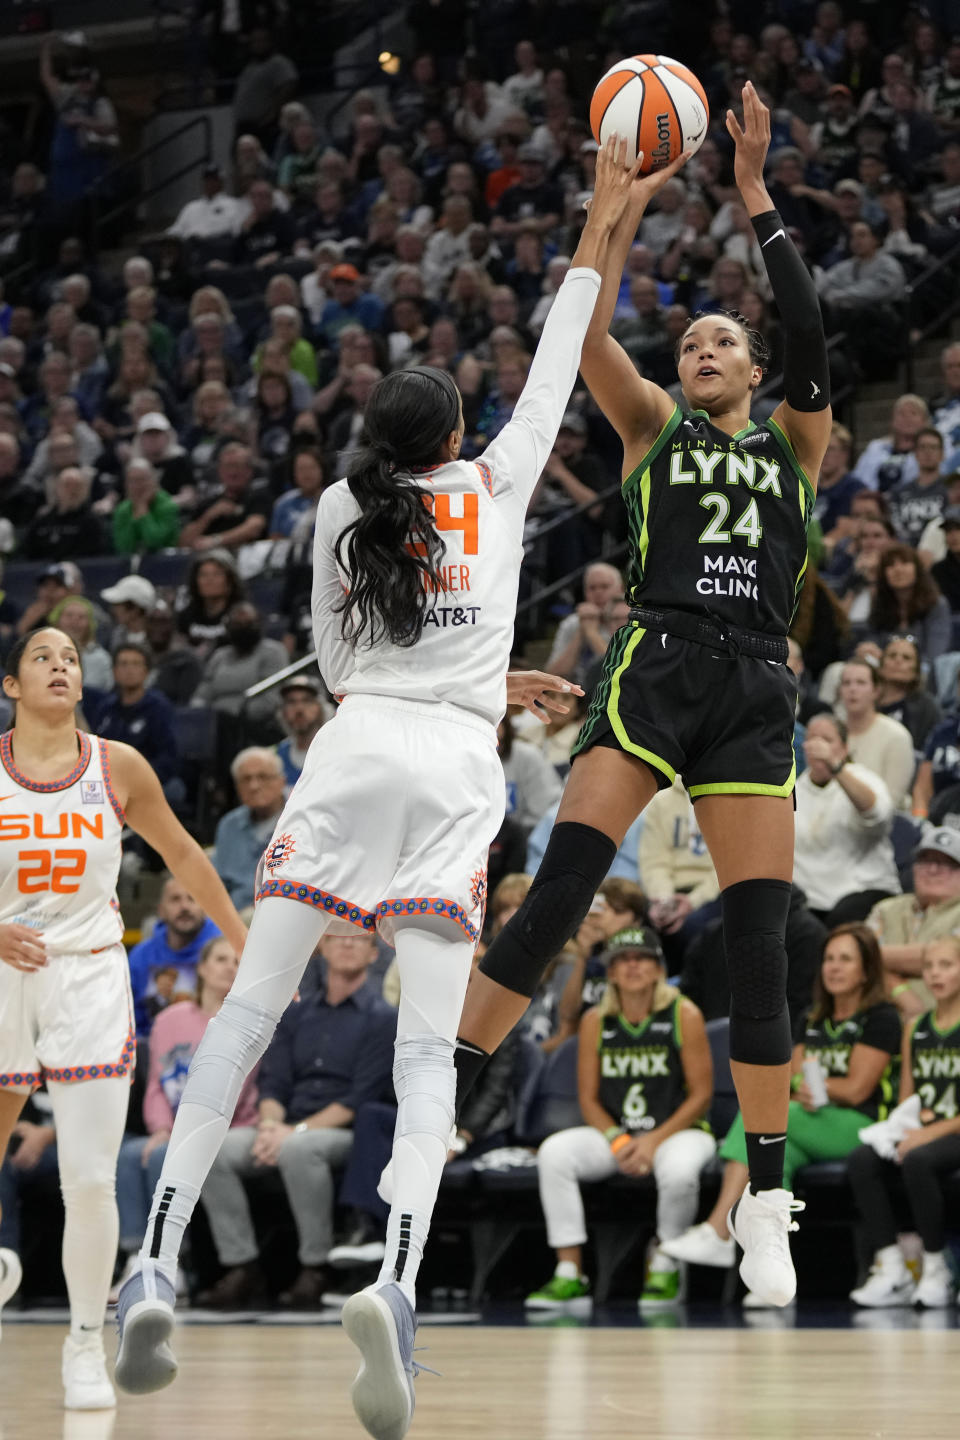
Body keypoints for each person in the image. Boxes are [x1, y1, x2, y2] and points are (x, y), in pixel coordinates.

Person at [112, 137, 647, 1438]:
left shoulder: (343, 516)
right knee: (425, 1053)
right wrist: (607, 210)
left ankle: (152, 1264)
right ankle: (395, 1295)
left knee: (244, 1013)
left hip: (355, 754)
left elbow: (351, 667)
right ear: (457, 437)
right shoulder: (501, 481)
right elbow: (564, 337)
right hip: (457, 766)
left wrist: (472, 677)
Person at [448, 83, 833, 1314]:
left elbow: (816, 339)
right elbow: (587, 333)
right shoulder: (655, 424)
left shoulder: (796, 447)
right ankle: (441, 1103)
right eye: (692, 343)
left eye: (722, 339)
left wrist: (758, 194)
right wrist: (607, 214)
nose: (700, 350)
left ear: (757, 367)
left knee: (763, 955)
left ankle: (764, 1201)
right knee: (558, 894)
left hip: (755, 686)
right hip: (655, 668)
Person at [0, 627, 246, 1410]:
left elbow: (184, 855)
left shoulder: (118, 765)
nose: (59, 665)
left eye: (70, 657)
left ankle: (81, 1345)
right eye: (41, 656)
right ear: (11, 686)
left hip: (92, 974)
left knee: (89, 1178)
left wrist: (247, 943)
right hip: (4, 972)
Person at [664, 924, 900, 1304]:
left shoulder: (882, 1018)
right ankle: (771, 1266)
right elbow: (792, 1076)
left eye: (846, 960)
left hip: (864, 1124)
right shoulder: (812, 1016)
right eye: (829, 959)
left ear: (866, 969)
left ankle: (717, 1231)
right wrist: (806, 1091)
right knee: (775, 1157)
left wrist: (814, 1090)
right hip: (814, 1121)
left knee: (757, 1122)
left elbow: (857, 1088)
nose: (834, 968)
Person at [193, 933, 395, 1311]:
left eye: (358, 939)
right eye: (337, 937)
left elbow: (358, 1099)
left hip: (344, 1132)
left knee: (299, 1151)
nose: (347, 944)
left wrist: (293, 1133)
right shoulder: (296, 1013)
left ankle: (315, 1266)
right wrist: (270, 1126)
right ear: (321, 948)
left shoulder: (384, 1018)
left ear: (373, 953)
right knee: (215, 1150)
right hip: (285, 1124)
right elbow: (274, 1083)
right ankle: (242, 1265)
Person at [525, 926, 714, 1311]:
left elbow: (701, 1096)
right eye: (621, 960)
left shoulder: (684, 1013)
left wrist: (653, 1140)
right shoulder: (596, 1020)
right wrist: (618, 1139)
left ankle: (666, 1260)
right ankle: (569, 1273)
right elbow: (588, 1098)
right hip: (619, 1135)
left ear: (659, 968)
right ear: (609, 972)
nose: (631, 967)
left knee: (679, 1170)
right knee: (554, 1152)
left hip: (678, 1131)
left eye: (641, 958)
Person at [114, 936, 254, 1296]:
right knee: (130, 1155)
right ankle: (135, 1255)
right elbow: (156, 1086)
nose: (229, 967)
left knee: (165, 1155)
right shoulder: (169, 1020)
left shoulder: (249, 1021)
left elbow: (243, 1089)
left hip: (229, 1125)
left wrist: (186, 1135)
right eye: (221, 959)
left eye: (238, 961)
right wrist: (162, 1128)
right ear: (202, 969)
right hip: (173, 1126)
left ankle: (171, 1261)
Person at [846, 937, 960, 1308]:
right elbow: (907, 1098)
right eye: (929, 968)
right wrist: (901, 1130)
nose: (936, 974)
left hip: (951, 1131)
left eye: (946, 965)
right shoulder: (916, 1027)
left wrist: (926, 1134)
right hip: (926, 1131)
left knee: (919, 1158)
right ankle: (892, 1266)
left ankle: (935, 1265)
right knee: (863, 1158)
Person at [793, 714, 899, 927]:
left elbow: (876, 814)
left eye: (827, 740)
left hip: (862, 888)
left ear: (843, 748)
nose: (818, 746)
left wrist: (836, 767)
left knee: (837, 925)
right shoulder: (794, 789)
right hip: (810, 897)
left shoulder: (862, 778)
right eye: (812, 739)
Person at [127, 876, 222, 1039]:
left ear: (205, 907)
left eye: (192, 898)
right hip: (154, 1050)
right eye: (175, 899)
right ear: (161, 910)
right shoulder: (140, 957)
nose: (184, 906)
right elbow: (131, 1022)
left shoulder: (224, 953)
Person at [836, 658, 916, 810]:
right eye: (846, 683)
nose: (852, 689)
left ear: (876, 690)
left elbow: (892, 802)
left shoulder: (897, 736)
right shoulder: (832, 732)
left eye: (861, 683)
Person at [873, 635, 941, 749]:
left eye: (906, 658)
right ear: (881, 666)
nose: (898, 660)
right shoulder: (867, 700)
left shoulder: (928, 707)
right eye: (892, 655)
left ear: (916, 671)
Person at [275, 674, 329, 787]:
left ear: (321, 707)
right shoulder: (277, 756)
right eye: (291, 702)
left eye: (307, 700)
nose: (299, 709)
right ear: (283, 711)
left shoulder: (336, 747)